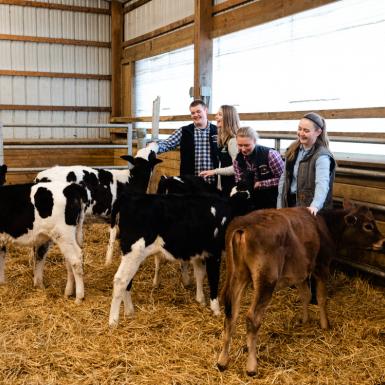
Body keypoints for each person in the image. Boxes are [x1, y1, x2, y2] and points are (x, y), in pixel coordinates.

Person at [277, 112, 336, 215]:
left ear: (318, 132)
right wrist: (279, 204)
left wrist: (315, 206)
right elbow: (284, 178)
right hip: (290, 203)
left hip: (309, 208)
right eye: (299, 129)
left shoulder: (322, 156)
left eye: (306, 130)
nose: (301, 133)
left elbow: (322, 184)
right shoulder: (292, 150)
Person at [149, 99, 218, 184]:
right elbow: (167, 144)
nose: (196, 115)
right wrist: (153, 147)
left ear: (206, 110)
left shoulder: (217, 131)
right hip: (189, 182)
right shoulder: (184, 131)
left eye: (198, 111)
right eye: (193, 113)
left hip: (213, 182)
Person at [233, 126, 284, 209]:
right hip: (253, 203)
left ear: (255, 141)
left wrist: (261, 184)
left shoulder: (271, 155)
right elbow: (239, 181)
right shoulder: (237, 161)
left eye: (246, 145)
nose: (243, 149)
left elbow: (283, 179)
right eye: (240, 145)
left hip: (272, 200)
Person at [199, 105, 240, 196]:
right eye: (217, 114)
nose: (216, 116)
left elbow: (236, 168)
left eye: (220, 114)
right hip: (224, 186)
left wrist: (214, 171)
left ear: (228, 118)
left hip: (233, 188)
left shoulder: (233, 141)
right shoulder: (223, 139)